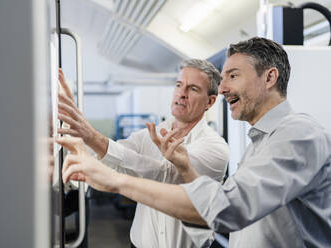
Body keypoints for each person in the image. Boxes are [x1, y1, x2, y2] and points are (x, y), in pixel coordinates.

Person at [57, 37, 331, 248]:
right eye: (179, 85)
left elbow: (227, 206)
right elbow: (225, 220)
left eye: (233, 76)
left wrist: (115, 179)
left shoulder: (298, 134)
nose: (224, 89)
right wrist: (73, 151)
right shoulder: (259, 144)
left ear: (270, 77)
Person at [57, 59, 230, 247]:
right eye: (179, 85)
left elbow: (166, 175)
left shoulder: (215, 147)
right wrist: (71, 126)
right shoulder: (146, 135)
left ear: (210, 101)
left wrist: (92, 136)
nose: (182, 93)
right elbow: (108, 162)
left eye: (193, 89)